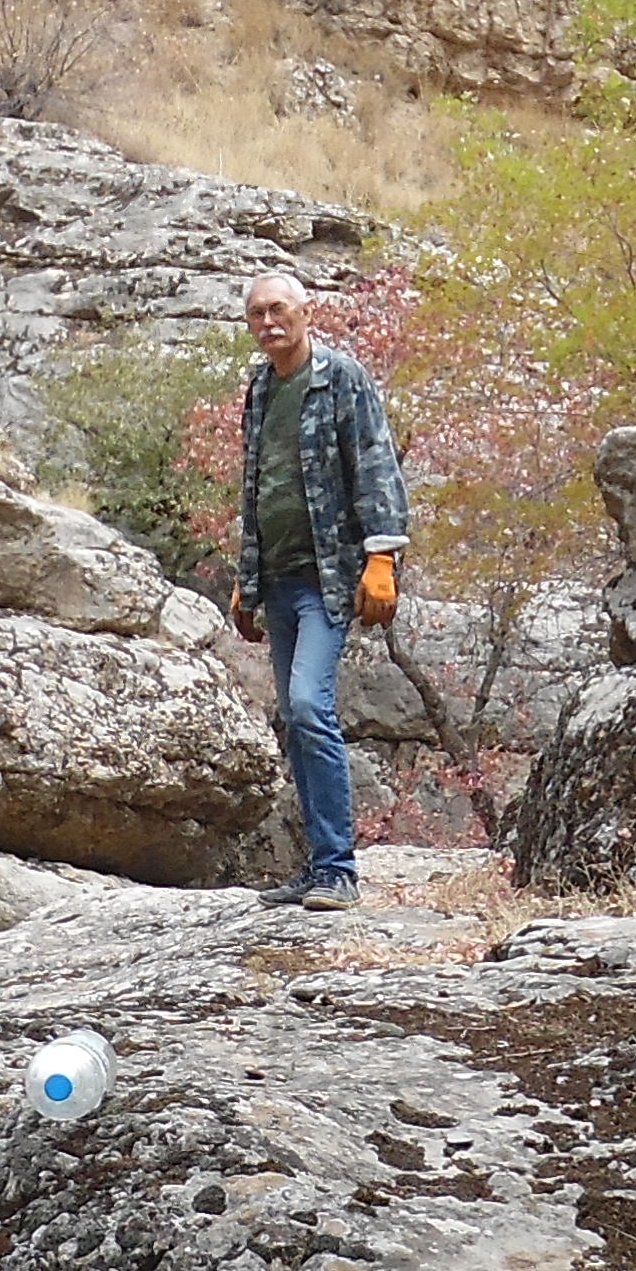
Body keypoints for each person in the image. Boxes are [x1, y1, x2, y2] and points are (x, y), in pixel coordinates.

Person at [227, 270, 409, 912]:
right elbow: (258, 486)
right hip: (275, 581)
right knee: (293, 717)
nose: (268, 322)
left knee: (308, 705)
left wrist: (381, 556)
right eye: (257, 314)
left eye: (279, 309)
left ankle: (338, 870)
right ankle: (316, 869)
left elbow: (375, 463)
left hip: (326, 579)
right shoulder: (260, 389)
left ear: (307, 312)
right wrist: (245, 578)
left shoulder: (341, 378)